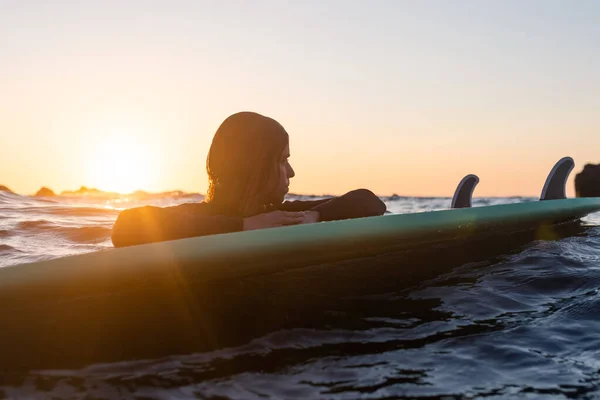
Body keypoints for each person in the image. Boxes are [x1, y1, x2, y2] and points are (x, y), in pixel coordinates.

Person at [111, 112, 386, 247]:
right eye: (282, 160)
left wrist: (312, 219)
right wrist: (242, 226)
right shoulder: (197, 217)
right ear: (251, 166)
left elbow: (368, 201)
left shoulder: (283, 216)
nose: (291, 173)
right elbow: (127, 226)